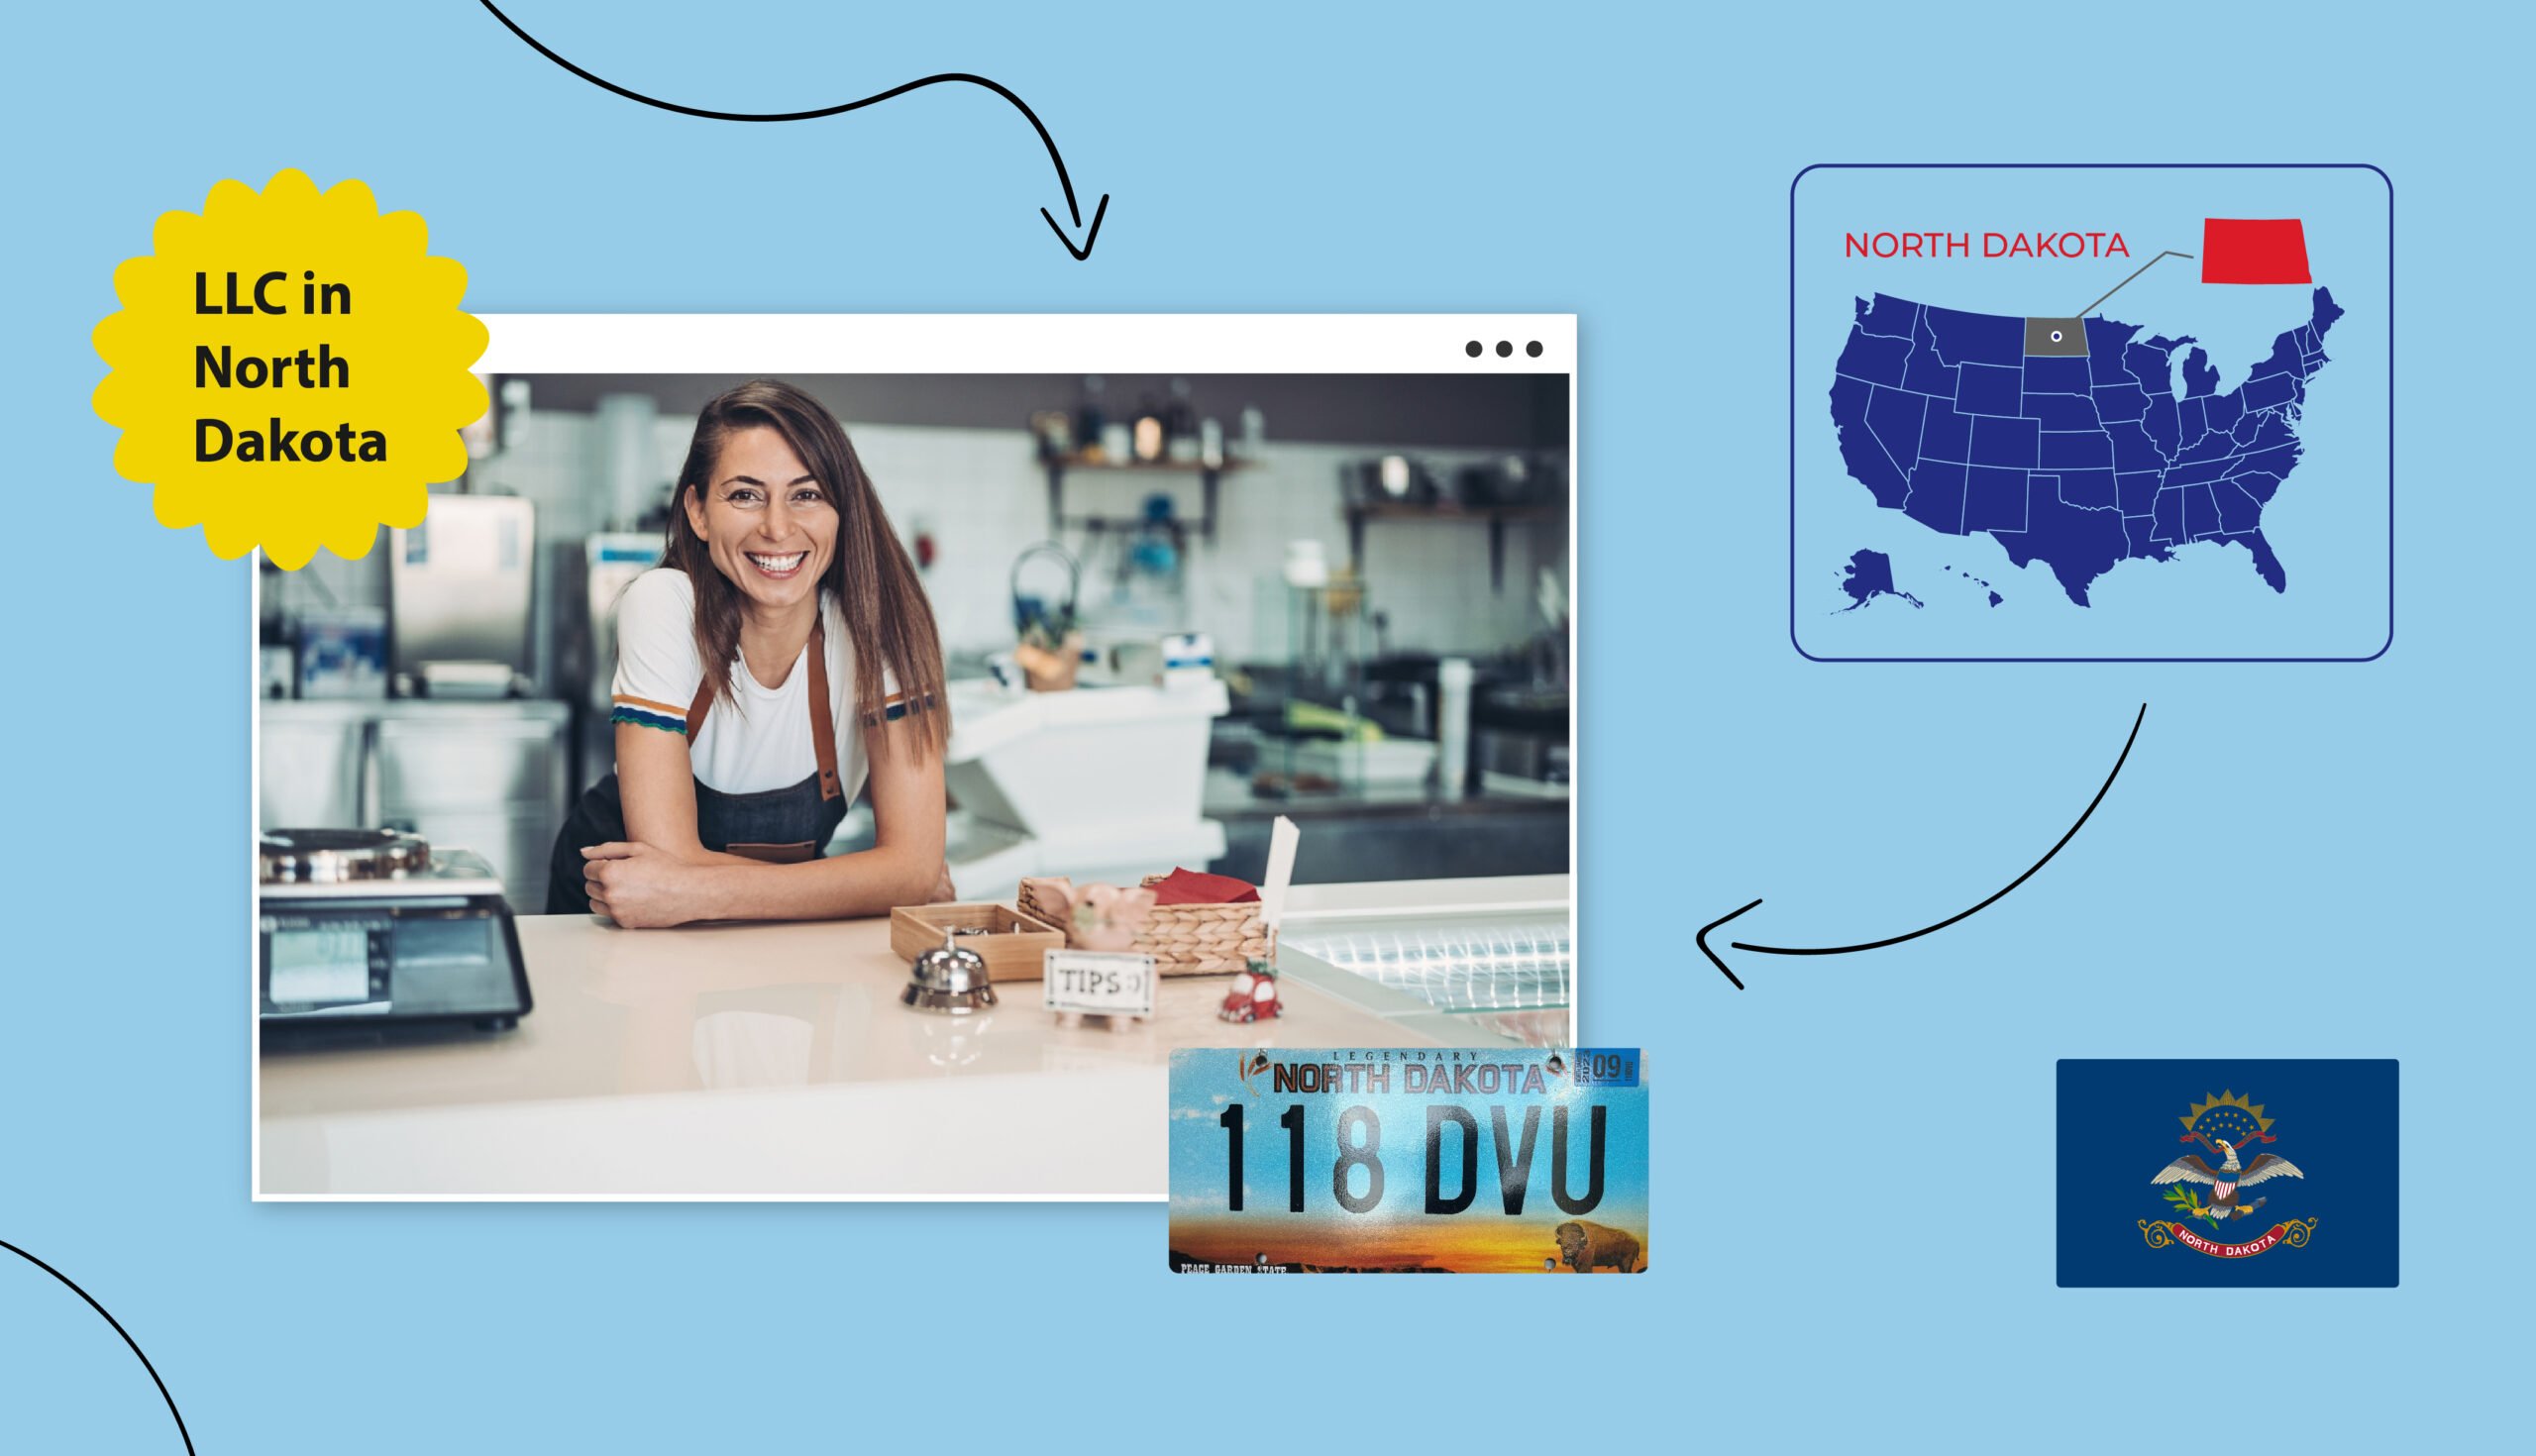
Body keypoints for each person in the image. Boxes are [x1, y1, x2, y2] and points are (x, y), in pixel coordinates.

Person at [547, 379, 950, 925]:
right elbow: (665, 861)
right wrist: (869, 883)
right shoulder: (663, 603)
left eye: (806, 494)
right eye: (744, 494)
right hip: (609, 915)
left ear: (841, 511)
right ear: (698, 512)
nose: (777, 527)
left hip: (754, 925)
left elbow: (914, 870)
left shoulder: (883, 622)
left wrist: (690, 890)